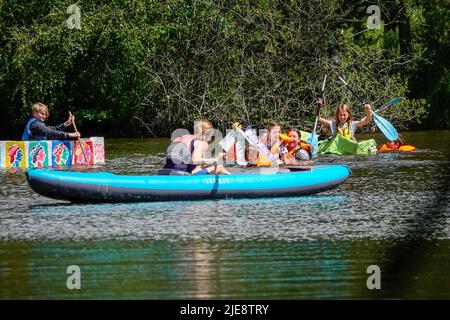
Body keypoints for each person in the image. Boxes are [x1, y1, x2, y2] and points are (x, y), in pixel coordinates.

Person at [163, 120, 230, 175]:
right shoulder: (202, 142)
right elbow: (195, 160)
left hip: (166, 171)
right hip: (182, 174)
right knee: (219, 167)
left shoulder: (180, 138)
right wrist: (214, 160)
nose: (210, 138)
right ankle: (235, 181)